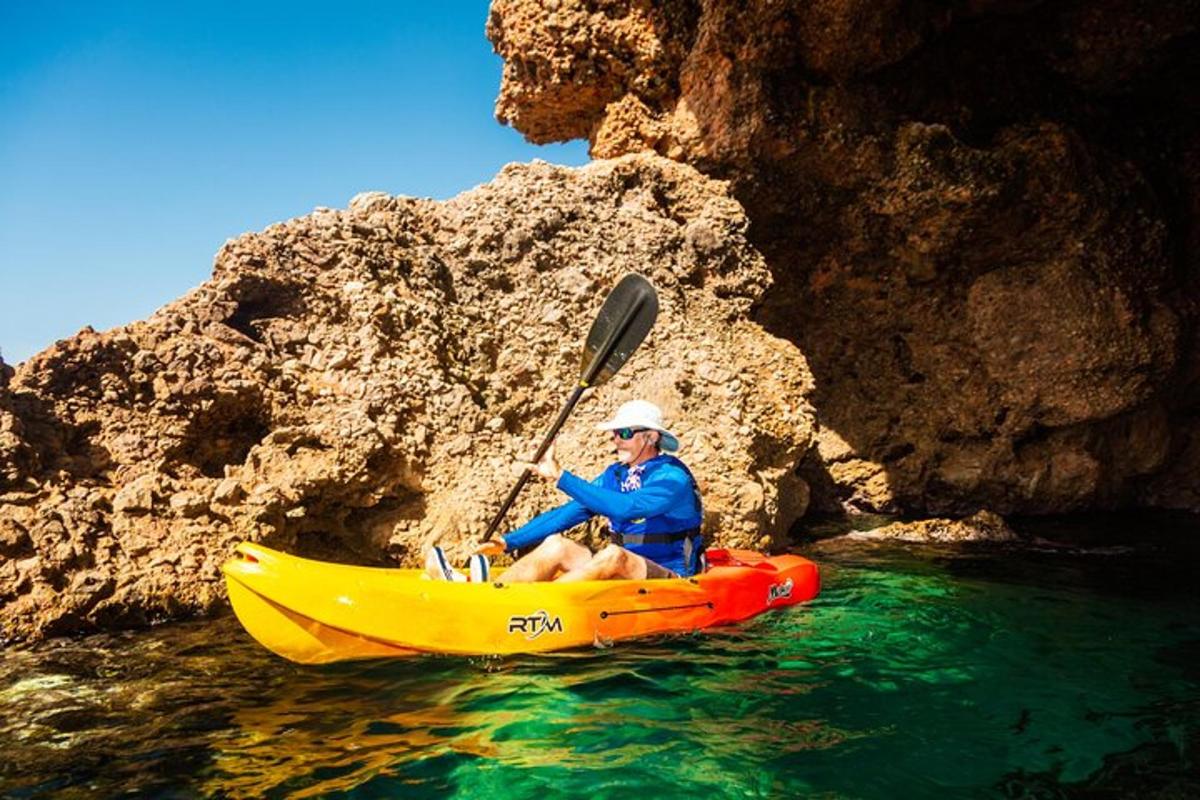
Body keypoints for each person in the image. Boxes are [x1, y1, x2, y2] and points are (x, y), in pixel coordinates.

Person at [426, 399, 704, 582]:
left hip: (671, 577)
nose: (617, 440)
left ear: (651, 437)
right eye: (615, 434)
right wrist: (508, 542)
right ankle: (485, 592)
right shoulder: (615, 475)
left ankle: (535, 607)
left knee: (613, 554)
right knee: (556, 544)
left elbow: (626, 508)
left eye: (625, 433)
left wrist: (561, 476)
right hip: (623, 577)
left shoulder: (672, 478)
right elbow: (568, 513)